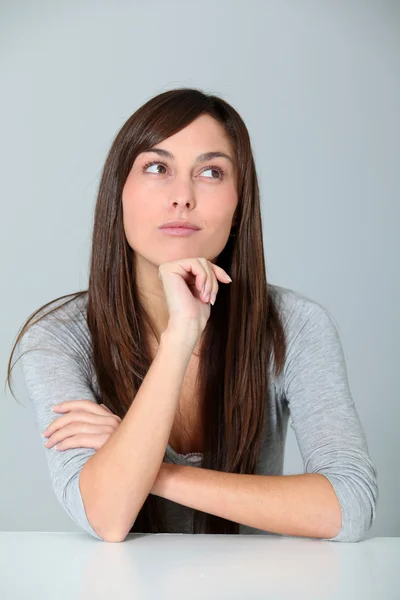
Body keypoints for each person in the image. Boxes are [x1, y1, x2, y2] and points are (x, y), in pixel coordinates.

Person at [6, 87, 378, 543]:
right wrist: (182, 334)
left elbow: (350, 506)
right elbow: (106, 515)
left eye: (211, 172)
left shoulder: (294, 325)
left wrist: (156, 471)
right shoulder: (59, 337)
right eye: (157, 168)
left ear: (240, 205)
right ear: (117, 194)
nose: (183, 197)